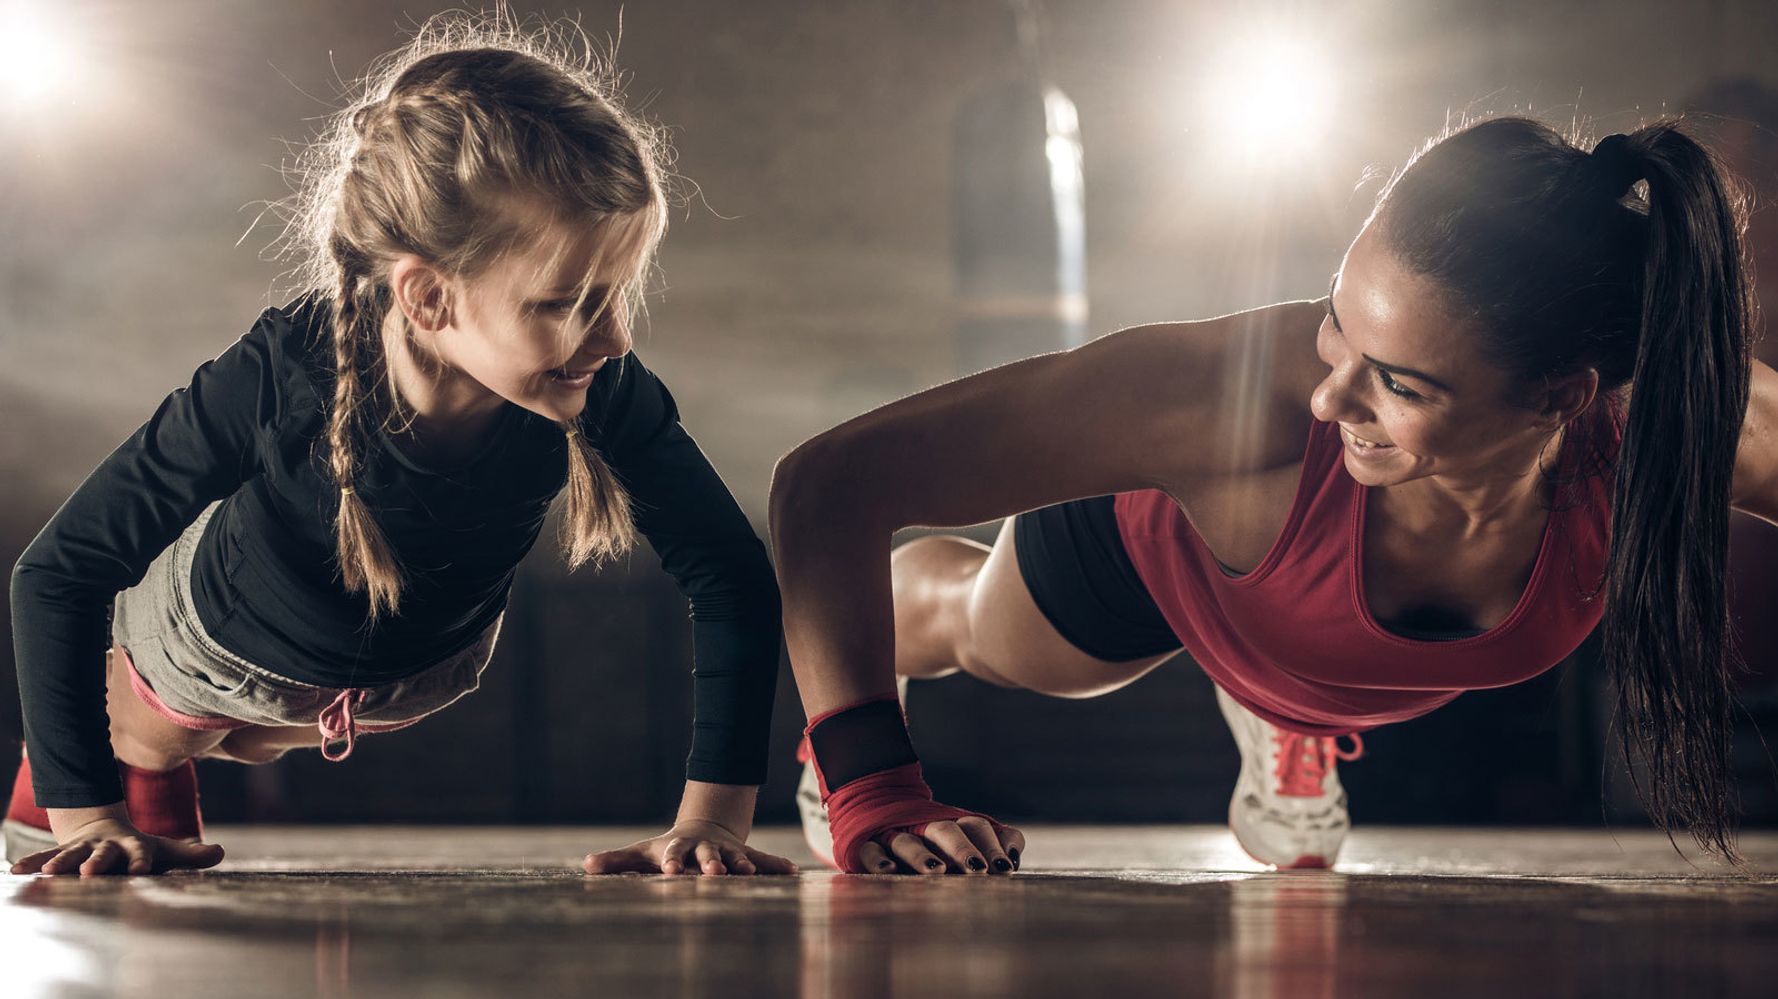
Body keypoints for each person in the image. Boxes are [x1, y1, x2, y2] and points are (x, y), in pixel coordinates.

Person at [770, 115, 1768, 874]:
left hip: (1304, 626)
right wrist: (871, 782)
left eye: (1400, 382)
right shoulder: (1224, 404)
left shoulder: (1675, 424)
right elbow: (829, 484)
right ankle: (917, 605)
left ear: (1559, 397)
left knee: (1300, 641)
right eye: (1337, 324)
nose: (1330, 393)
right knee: (997, 640)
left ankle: (1281, 715)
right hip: (1148, 549)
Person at [7, 15, 791, 878]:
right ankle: (139, 746)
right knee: (184, 714)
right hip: (213, 645)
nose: (611, 338)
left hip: (424, 672)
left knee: (258, 735)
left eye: (619, 294)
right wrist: (87, 815)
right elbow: (58, 570)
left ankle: (239, 731)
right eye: (567, 301)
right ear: (426, 298)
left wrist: (714, 819)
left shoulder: (592, 380)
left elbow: (730, 569)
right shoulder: (282, 372)